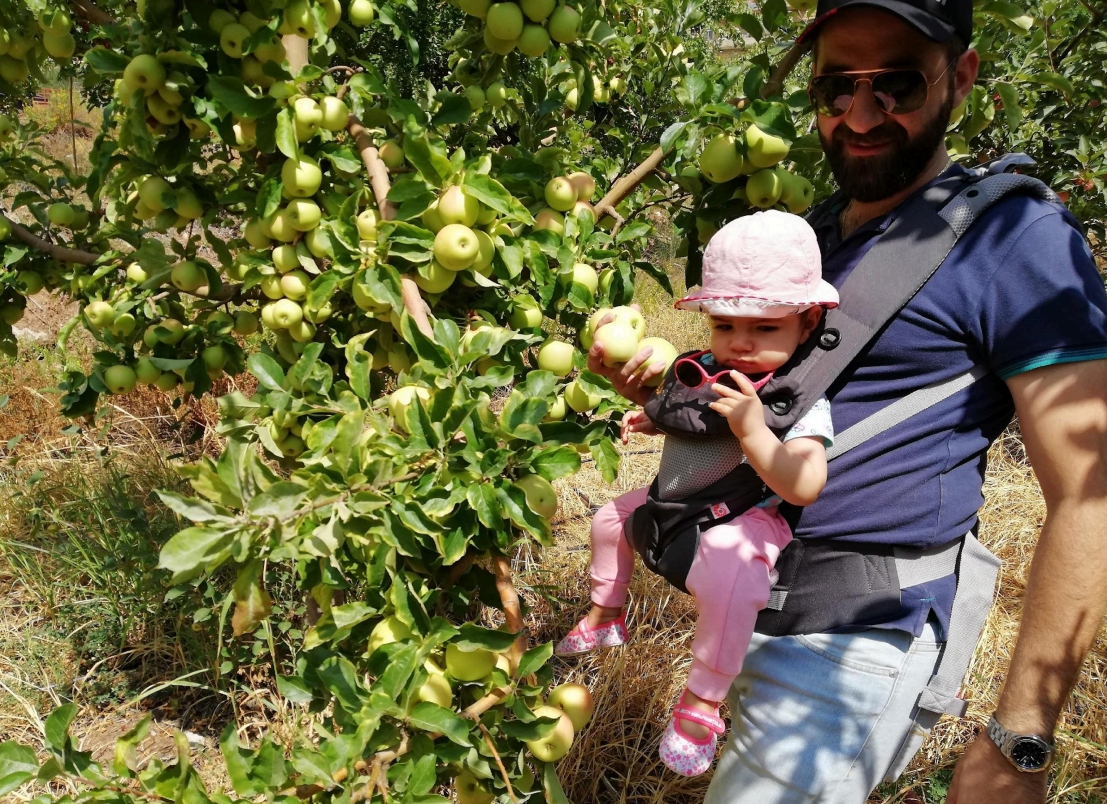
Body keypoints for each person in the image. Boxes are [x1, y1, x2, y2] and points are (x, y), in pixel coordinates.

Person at [588, 0, 1107, 800]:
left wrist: (1016, 742)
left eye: (895, 84)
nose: (860, 115)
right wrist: (664, 397)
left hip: (851, 646)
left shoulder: (1017, 242)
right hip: (751, 601)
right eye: (836, 88)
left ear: (960, 79)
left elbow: (1090, 491)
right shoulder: (814, 233)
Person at [555, 211, 838, 777]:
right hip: (676, 503)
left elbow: (804, 484)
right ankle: (606, 612)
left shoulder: (795, 400)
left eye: (764, 328)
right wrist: (640, 407)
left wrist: (754, 431)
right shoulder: (705, 370)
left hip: (745, 517)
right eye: (725, 326)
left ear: (806, 323)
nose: (740, 344)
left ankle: (703, 700)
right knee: (610, 520)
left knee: (734, 578)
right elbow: (690, 419)